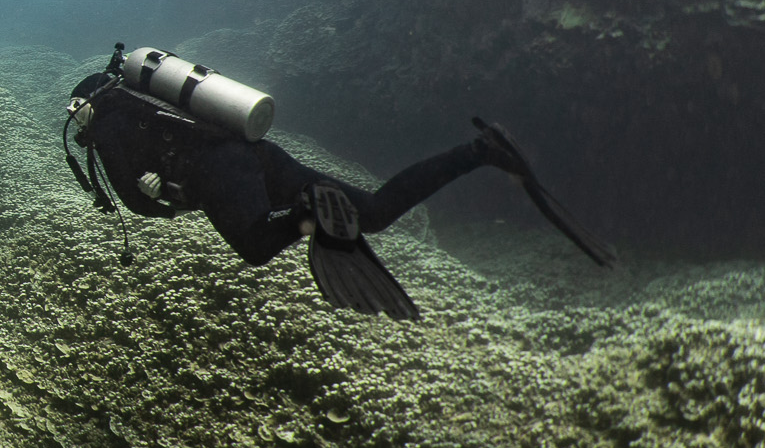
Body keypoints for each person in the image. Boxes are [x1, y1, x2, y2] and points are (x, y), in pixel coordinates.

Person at [65, 47, 615, 320]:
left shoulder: (112, 129)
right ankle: (481, 151)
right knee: (372, 212)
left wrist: (175, 198)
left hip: (219, 173)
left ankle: (307, 210)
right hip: (254, 151)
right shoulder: (147, 105)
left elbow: (137, 205)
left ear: (89, 106)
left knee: (257, 245)